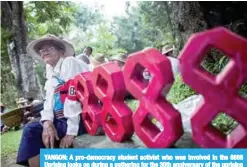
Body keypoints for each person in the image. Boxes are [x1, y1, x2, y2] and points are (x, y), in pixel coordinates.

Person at [17, 34, 90, 167]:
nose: (44, 51)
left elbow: (72, 96)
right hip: (61, 118)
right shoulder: (50, 70)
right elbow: (49, 100)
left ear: (61, 51)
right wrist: (46, 122)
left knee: (43, 134)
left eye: (49, 47)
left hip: (80, 117)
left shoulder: (69, 62)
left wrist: (71, 132)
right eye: (41, 49)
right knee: (30, 129)